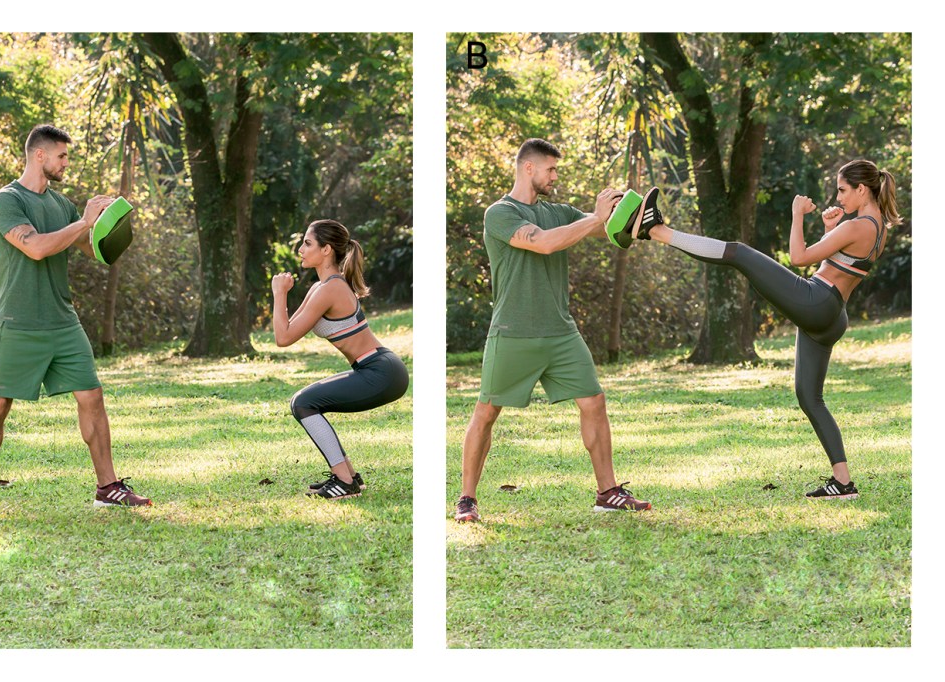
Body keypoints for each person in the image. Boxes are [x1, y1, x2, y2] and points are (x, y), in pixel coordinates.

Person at [618, 159, 901, 499]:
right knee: (810, 398)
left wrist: (798, 213)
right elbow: (837, 265)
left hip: (817, 301)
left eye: (843, 190)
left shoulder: (858, 225)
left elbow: (799, 258)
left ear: (862, 189)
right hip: (831, 314)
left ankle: (654, 229)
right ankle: (843, 482)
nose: (838, 197)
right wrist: (829, 229)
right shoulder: (877, 226)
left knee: (739, 253)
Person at [454, 138, 652, 523]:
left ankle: (608, 492)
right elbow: (543, 244)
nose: (555, 177)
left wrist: (638, 216)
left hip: (560, 332)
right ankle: (466, 499)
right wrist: (595, 218)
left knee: (594, 401)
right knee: (487, 411)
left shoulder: (558, 211)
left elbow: (608, 229)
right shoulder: (500, 213)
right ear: (529, 168)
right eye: (551, 169)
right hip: (513, 331)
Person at [0, 124, 152, 518]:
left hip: (63, 321)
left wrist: (113, 223)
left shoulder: (62, 205)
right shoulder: (6, 200)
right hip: (16, 321)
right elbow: (35, 248)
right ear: (40, 155)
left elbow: (96, 251)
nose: (67, 162)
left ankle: (108, 487)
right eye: (62, 155)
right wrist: (83, 221)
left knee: (92, 396)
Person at [271, 219, 409, 500]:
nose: (300, 249)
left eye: (307, 243)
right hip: (375, 368)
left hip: (381, 371)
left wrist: (279, 293)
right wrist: (281, 295)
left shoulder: (330, 289)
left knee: (303, 403)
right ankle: (349, 477)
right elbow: (284, 333)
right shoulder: (320, 288)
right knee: (305, 401)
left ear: (326, 250)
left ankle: (344, 481)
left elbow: (283, 338)